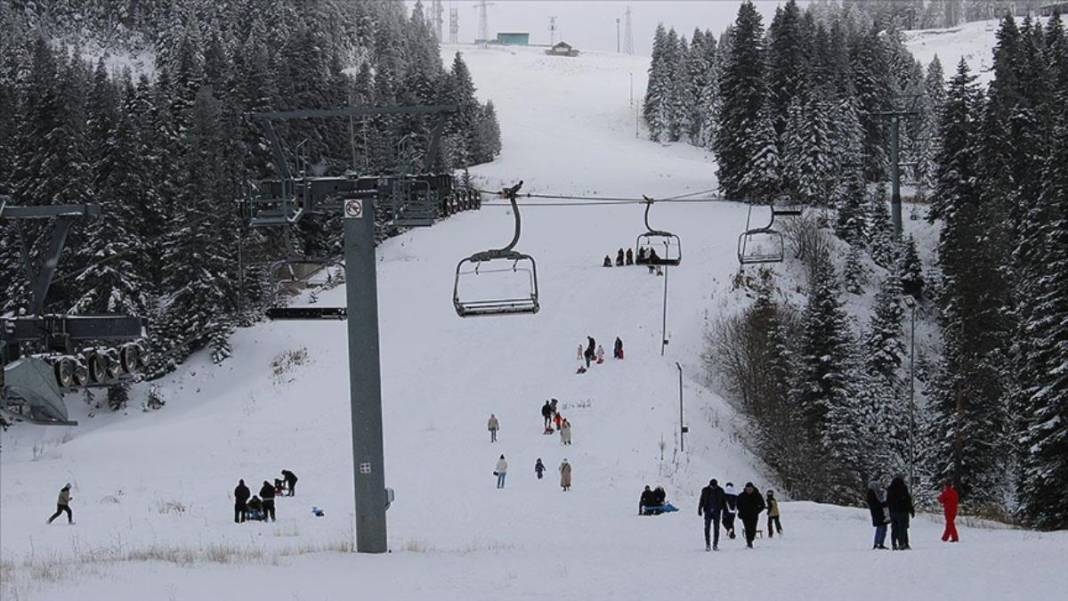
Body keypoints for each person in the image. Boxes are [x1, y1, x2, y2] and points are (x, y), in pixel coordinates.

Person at [886, 476, 915, 550]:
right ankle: (903, 543)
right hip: (903, 512)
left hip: (893, 512)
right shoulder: (903, 489)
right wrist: (911, 510)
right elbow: (908, 501)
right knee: (903, 528)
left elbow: (888, 501)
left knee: (894, 528)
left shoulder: (890, 490)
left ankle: (894, 544)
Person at [698, 479, 727, 551]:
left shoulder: (720, 490)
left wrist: (725, 512)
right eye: (712, 486)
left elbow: (724, 502)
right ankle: (708, 544)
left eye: (714, 486)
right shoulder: (705, 490)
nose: (713, 487)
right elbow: (701, 500)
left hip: (717, 511)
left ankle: (715, 544)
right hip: (707, 511)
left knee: (716, 529)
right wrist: (699, 509)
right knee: (707, 528)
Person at [736, 482, 766, 548]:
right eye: (748, 489)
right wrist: (741, 511)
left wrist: (757, 511)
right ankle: (749, 542)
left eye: (750, 489)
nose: (749, 490)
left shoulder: (757, 495)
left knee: (753, 529)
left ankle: (751, 539)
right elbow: (738, 505)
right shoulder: (741, 496)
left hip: (754, 515)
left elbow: (762, 505)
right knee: (747, 528)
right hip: (745, 515)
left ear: (753, 488)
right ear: (745, 489)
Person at [866, 479, 891, 550]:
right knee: (882, 527)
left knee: (881, 527)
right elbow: (876, 504)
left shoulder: (873, 493)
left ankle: (878, 543)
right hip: (878, 513)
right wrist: (884, 504)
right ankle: (879, 543)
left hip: (877, 512)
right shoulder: (872, 493)